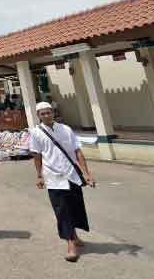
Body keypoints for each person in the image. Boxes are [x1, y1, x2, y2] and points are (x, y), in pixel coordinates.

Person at [29, 101, 96, 262]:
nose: (46, 115)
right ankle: (71, 245)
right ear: (38, 116)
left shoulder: (66, 129)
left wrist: (86, 173)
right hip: (53, 178)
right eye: (43, 113)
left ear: (53, 112)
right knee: (62, 211)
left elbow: (77, 151)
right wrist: (39, 176)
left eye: (49, 112)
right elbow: (37, 155)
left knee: (75, 207)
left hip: (72, 175)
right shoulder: (36, 133)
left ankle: (74, 235)